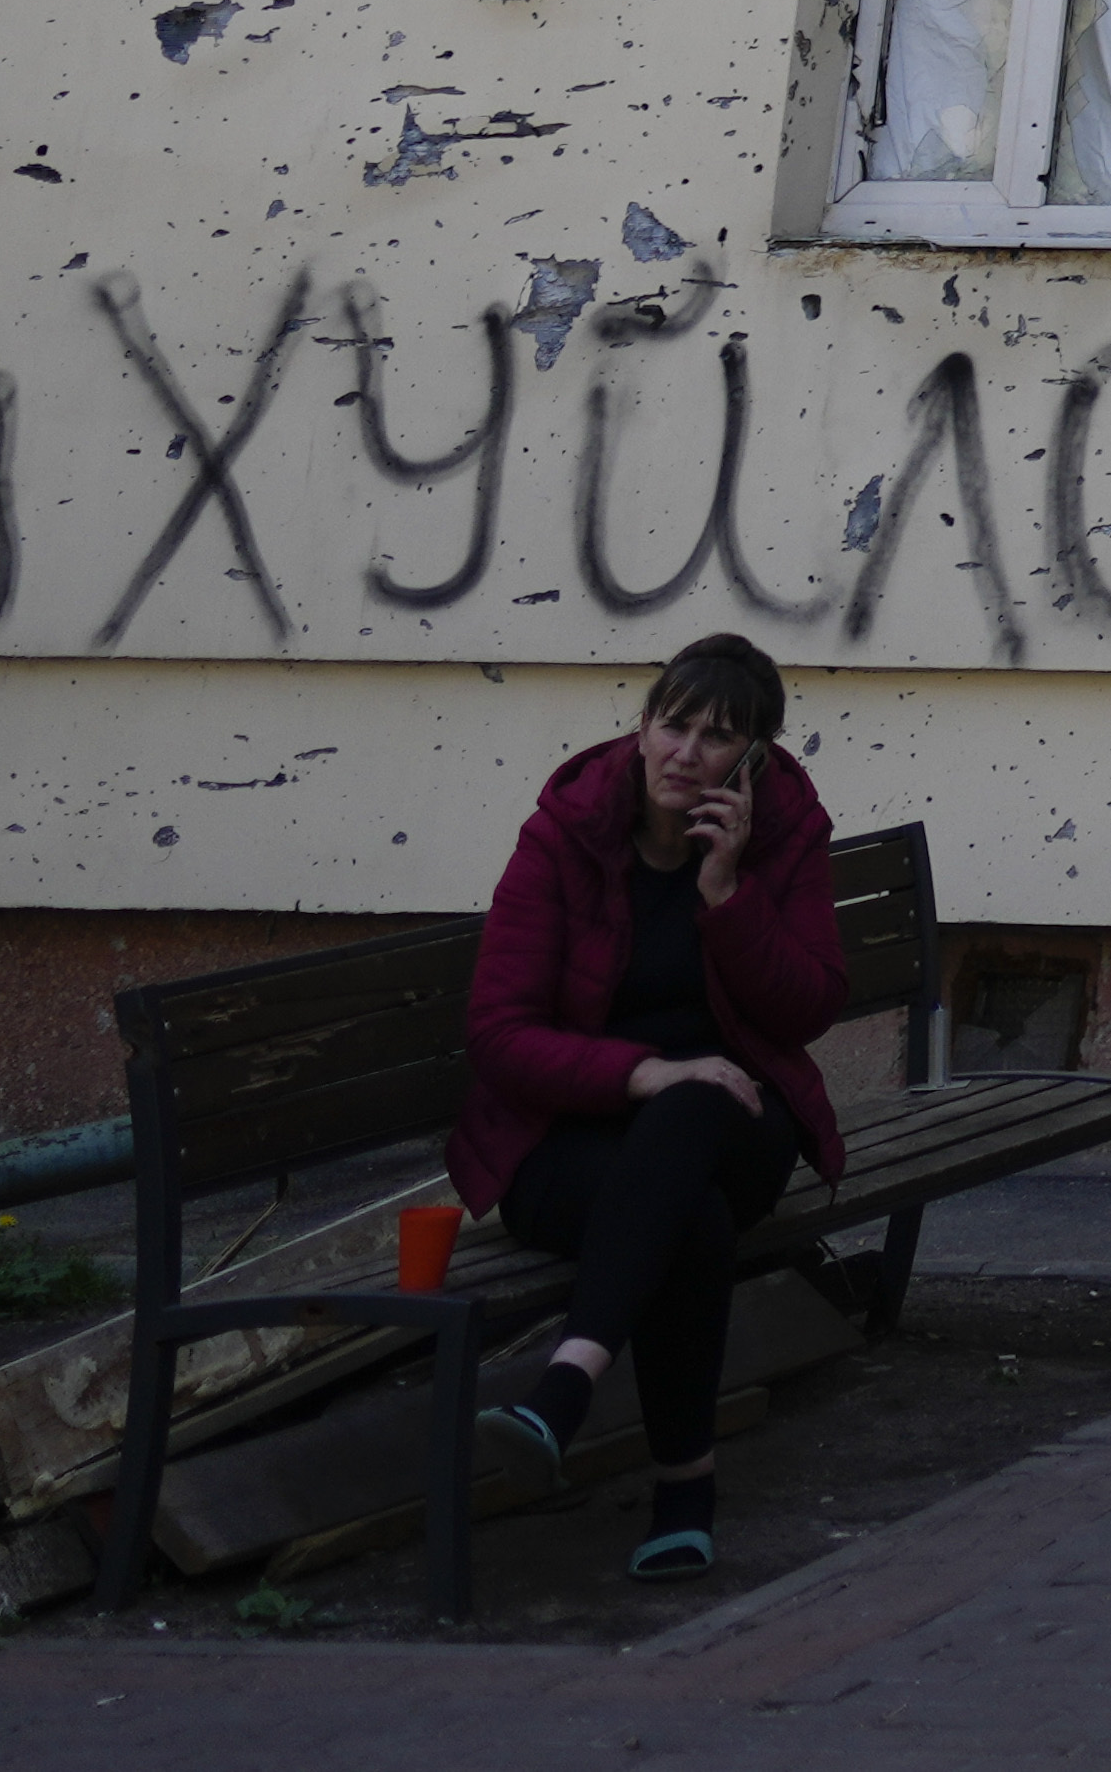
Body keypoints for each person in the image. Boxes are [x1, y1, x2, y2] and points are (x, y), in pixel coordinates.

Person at [451, 632, 848, 1581]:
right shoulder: (564, 835)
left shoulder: (785, 832)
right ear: (641, 727)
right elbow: (500, 1033)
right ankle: (683, 1493)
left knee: (702, 1099)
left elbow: (810, 1005)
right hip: (569, 1141)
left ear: (752, 760)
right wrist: (643, 1073)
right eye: (672, 724)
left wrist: (727, 893)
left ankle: (561, 1390)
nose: (685, 752)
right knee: (690, 1214)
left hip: (733, 1124)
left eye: (716, 738)